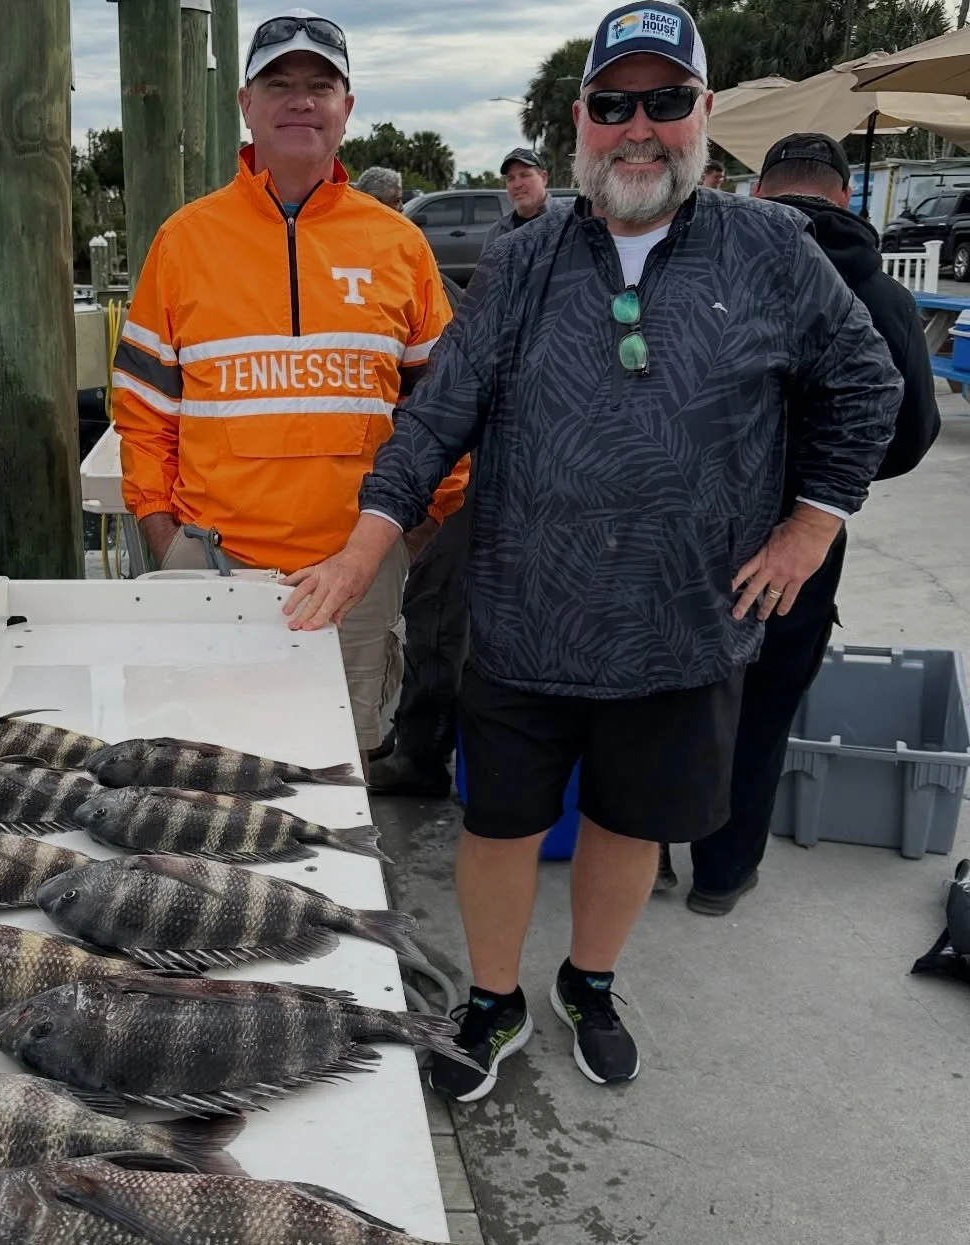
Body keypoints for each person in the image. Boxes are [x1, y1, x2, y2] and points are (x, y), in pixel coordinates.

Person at [279, 2, 902, 1100]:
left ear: (703, 114)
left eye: (665, 102)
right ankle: (491, 997)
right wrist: (367, 541)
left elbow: (867, 386)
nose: (639, 128)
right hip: (524, 620)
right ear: (582, 120)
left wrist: (811, 525)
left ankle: (592, 981)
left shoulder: (774, 251)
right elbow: (435, 420)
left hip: (684, 625)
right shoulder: (520, 264)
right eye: (615, 105)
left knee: (627, 825)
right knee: (500, 825)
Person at [112, 9, 467, 762]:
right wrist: (159, 529)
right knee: (204, 769)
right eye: (279, 83)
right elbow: (143, 409)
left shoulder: (399, 243)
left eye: (320, 85)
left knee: (338, 776)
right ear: (246, 104)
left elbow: (443, 408)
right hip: (211, 564)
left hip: (356, 576)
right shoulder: (184, 240)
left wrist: (420, 525)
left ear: (347, 108)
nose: (300, 100)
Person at [668, 132, 939, 915]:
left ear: (760, 193)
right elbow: (911, 434)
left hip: (687, 526)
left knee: (664, 697)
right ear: (846, 197)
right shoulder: (885, 298)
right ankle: (721, 875)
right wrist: (824, 492)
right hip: (807, 539)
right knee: (764, 707)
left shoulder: (709, 271)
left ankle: (641, 846)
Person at [368, 147, 568, 798]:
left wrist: (435, 504)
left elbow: (446, 401)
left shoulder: (420, 276)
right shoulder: (492, 262)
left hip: (475, 480)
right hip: (462, 477)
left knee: (439, 614)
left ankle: (425, 756)